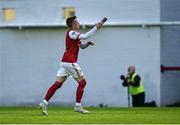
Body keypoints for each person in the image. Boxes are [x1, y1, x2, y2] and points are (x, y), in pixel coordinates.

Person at [39, 16, 105, 115]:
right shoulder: (71, 32)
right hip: (70, 62)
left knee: (58, 84)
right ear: (73, 24)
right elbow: (85, 36)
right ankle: (78, 106)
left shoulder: (75, 35)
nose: (78, 22)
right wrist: (96, 27)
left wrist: (87, 44)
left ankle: (44, 103)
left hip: (65, 62)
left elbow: (81, 46)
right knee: (83, 83)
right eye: (76, 21)